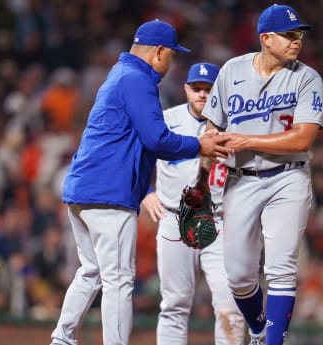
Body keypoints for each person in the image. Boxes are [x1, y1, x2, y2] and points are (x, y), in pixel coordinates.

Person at [49, 20, 231, 345]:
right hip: (108, 193)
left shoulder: (119, 75)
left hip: (83, 189)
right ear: (159, 51)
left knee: (91, 271)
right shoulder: (136, 79)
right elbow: (156, 139)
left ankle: (62, 340)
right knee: (118, 280)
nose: (171, 62)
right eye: (171, 54)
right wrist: (199, 145)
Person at [200, 4, 323, 345]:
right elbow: (212, 128)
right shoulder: (232, 70)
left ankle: (273, 342)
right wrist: (203, 169)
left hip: (289, 176)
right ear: (266, 39)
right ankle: (257, 330)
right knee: (239, 276)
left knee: (281, 269)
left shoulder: (307, 77)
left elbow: (304, 137)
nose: (296, 41)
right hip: (241, 178)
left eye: (299, 34)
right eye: (289, 35)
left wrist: (248, 139)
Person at [141, 62, 245, 345]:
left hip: (220, 219)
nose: (202, 94)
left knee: (230, 304)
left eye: (208, 90)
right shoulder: (166, 119)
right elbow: (137, 157)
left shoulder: (236, 126)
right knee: (174, 304)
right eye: (196, 88)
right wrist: (145, 191)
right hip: (174, 218)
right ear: (186, 89)